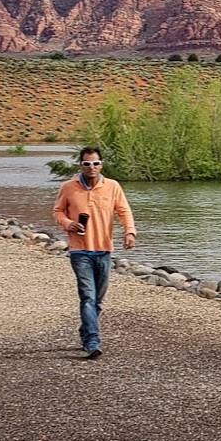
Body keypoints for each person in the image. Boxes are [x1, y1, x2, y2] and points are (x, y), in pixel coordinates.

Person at [52, 146, 137, 359]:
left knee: (98, 300)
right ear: (80, 165)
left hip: (104, 251)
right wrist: (68, 223)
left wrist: (130, 232)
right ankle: (92, 340)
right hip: (80, 251)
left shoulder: (112, 186)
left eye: (96, 163)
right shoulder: (68, 187)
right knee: (87, 297)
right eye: (87, 163)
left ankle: (84, 330)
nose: (92, 167)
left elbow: (124, 210)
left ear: (101, 165)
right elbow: (57, 211)